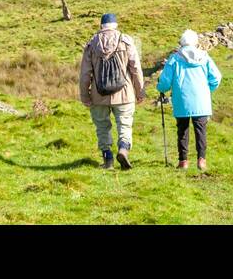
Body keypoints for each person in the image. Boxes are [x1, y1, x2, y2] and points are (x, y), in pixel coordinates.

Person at [79, 12, 146, 169]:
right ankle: (123, 149)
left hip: (98, 94)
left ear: (101, 26)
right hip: (124, 93)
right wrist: (140, 91)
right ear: (115, 25)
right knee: (124, 124)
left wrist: (85, 96)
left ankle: (107, 158)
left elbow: (84, 74)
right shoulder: (126, 41)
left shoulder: (91, 44)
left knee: (102, 127)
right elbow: (136, 68)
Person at [156, 29, 222, 172]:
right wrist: (207, 89)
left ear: (182, 42)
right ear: (195, 42)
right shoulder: (204, 57)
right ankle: (201, 160)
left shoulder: (175, 58)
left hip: (182, 99)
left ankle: (183, 161)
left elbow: (165, 81)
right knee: (201, 130)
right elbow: (216, 77)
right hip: (201, 99)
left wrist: (160, 87)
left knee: (182, 130)